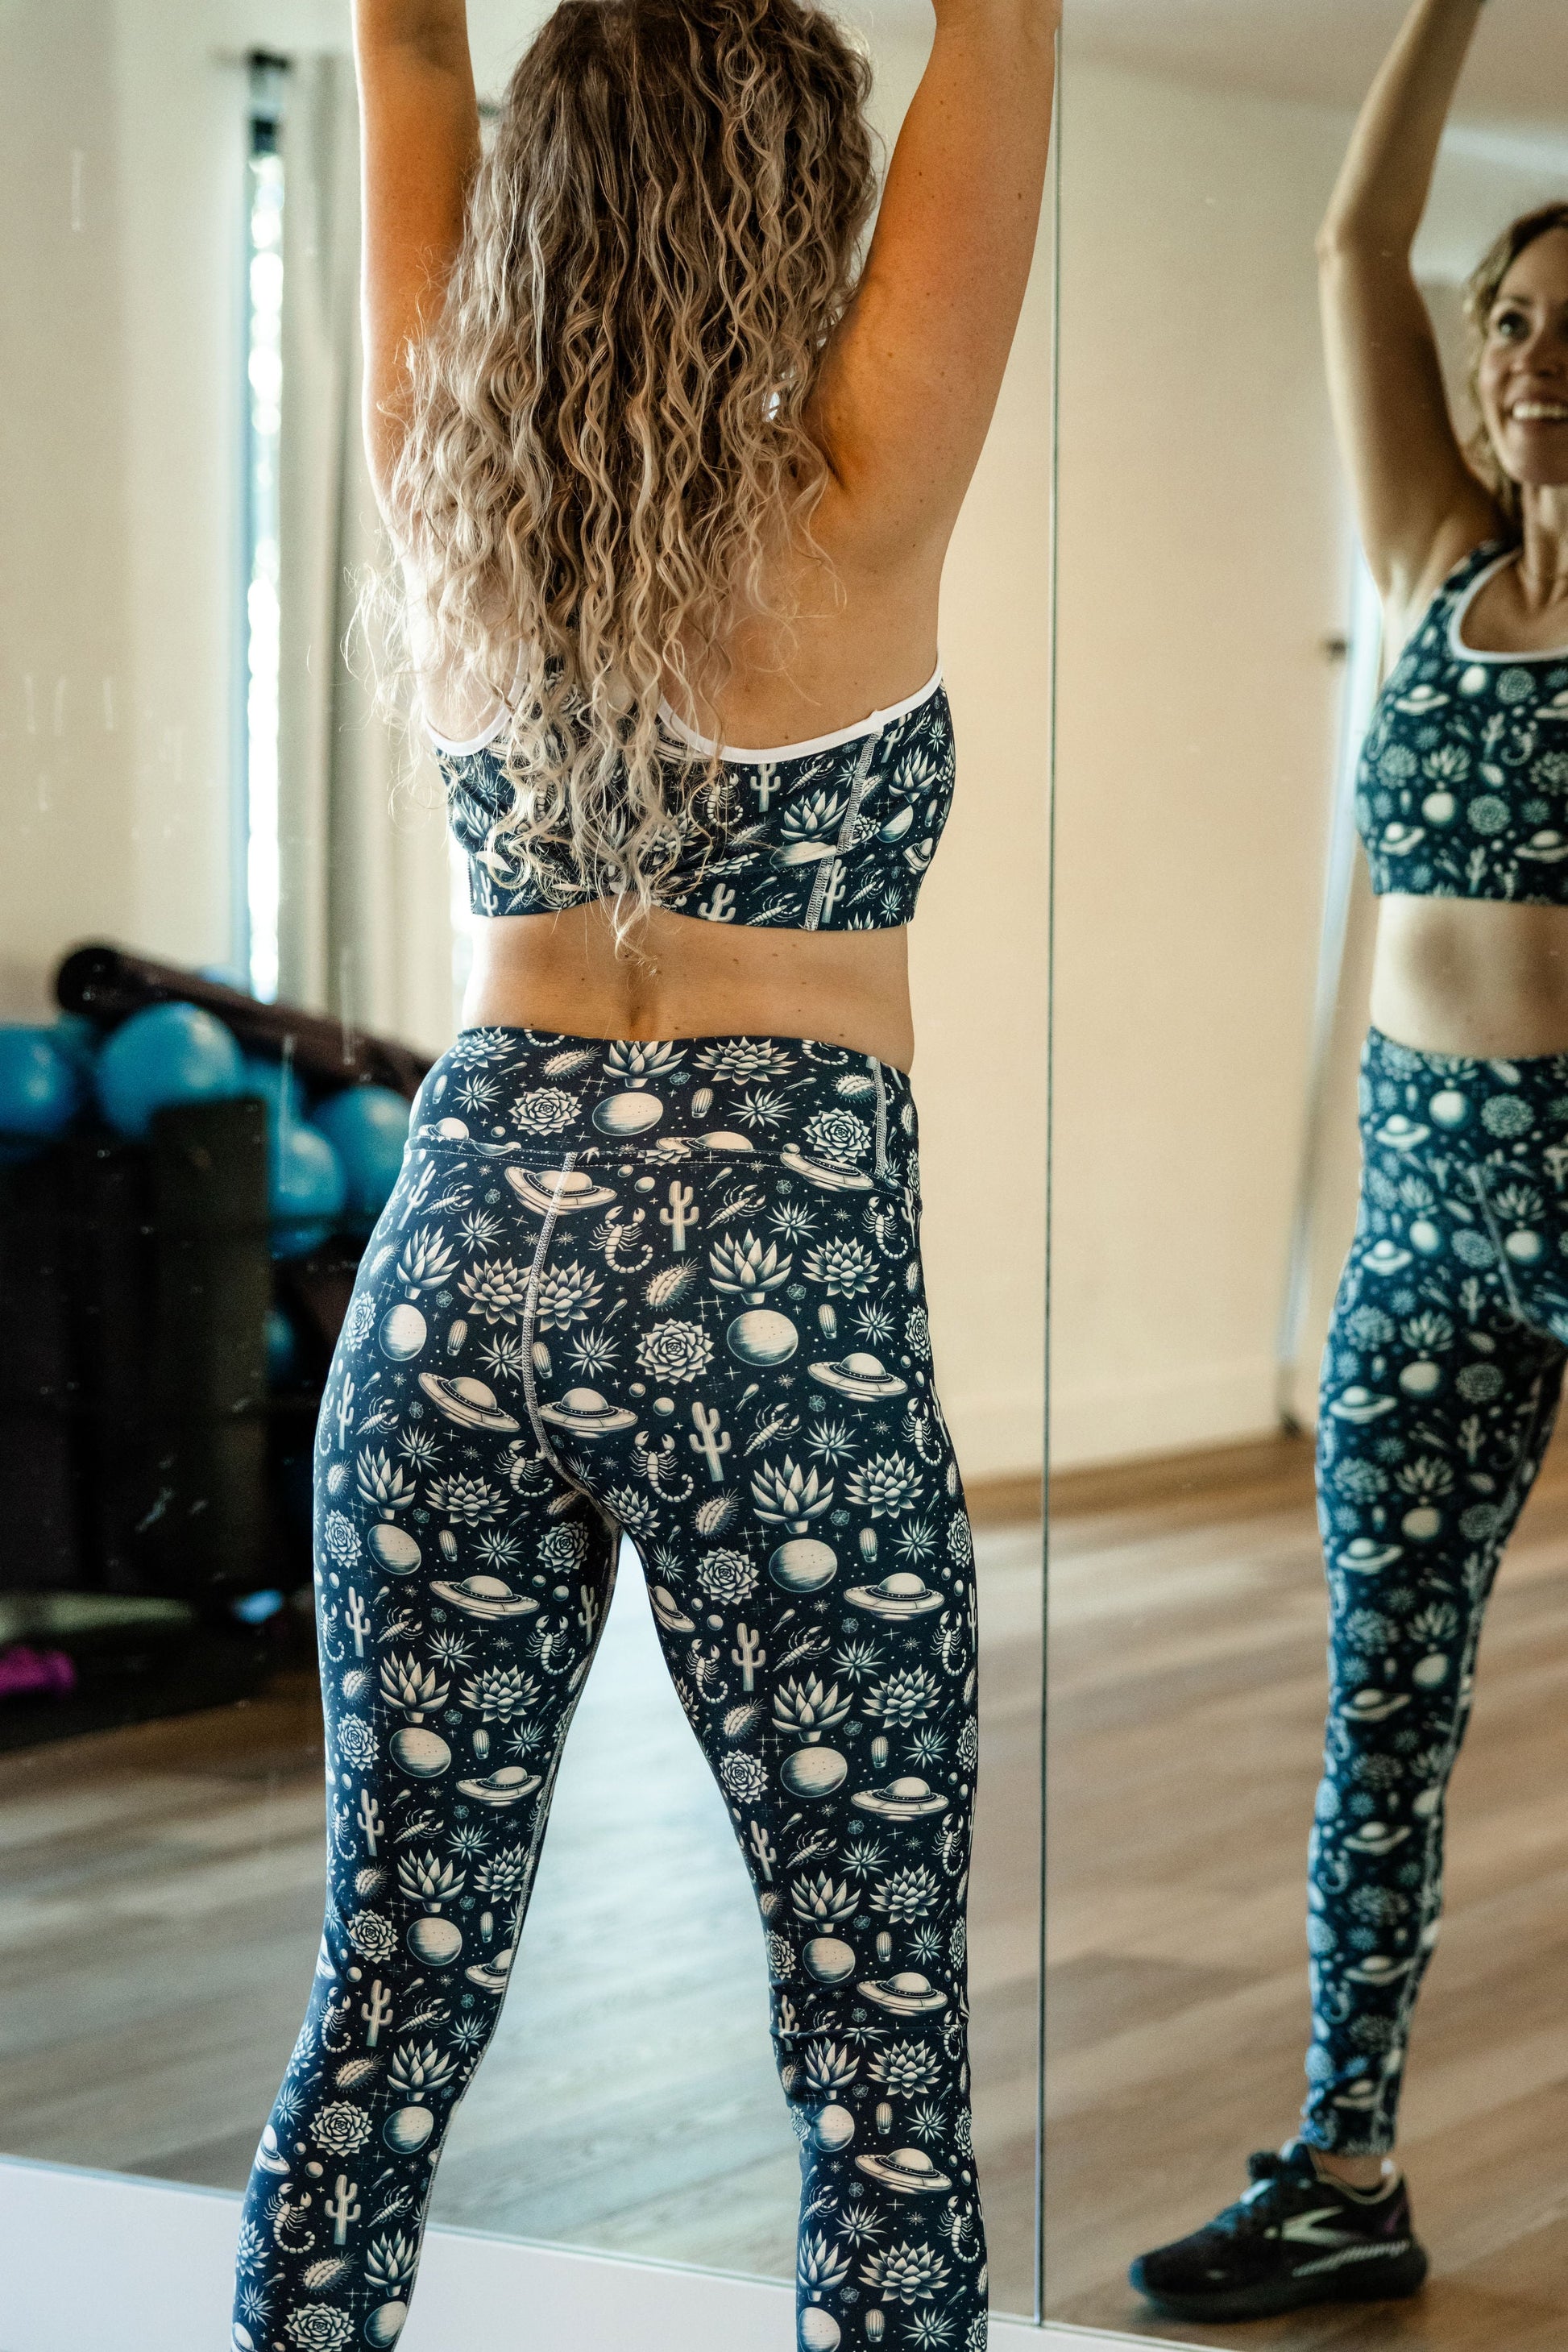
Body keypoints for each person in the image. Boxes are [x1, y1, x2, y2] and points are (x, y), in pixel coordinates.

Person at [230, 1, 1053, 2346]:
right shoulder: (859, 484)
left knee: (384, 2015)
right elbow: (1005, 22)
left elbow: (404, 47)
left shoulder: (446, 483)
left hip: (452, 1266)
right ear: (795, 203)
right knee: (877, 2074)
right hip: (764, 1289)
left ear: (538, 196)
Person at [1132, 0, 1568, 2325]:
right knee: (1382, 1707)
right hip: (1421, 1225)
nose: (1532, 359)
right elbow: (1349, 239)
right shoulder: (1428, 560)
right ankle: (1340, 2167)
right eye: (1514, 323)